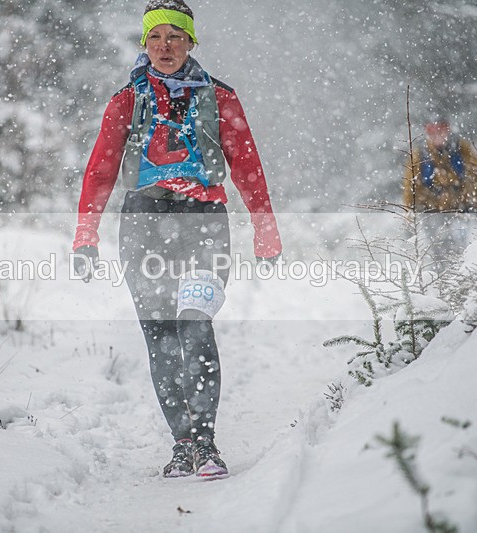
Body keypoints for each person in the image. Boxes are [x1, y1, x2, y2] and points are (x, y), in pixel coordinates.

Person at [72, 0, 282, 478]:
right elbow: (100, 170)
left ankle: (206, 442)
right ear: (144, 43)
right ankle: (182, 444)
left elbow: (248, 169)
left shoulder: (221, 98)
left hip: (204, 219)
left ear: (191, 41)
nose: (165, 47)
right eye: (155, 37)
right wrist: (85, 236)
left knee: (195, 323)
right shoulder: (127, 99)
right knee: (162, 336)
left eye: (175, 37)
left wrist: (265, 232)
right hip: (143, 223)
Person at [403, 117, 477, 265]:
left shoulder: (462, 149)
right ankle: (440, 278)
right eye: (432, 131)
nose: (437, 135)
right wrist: (409, 215)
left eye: (440, 130)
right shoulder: (419, 155)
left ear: (447, 131)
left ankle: (461, 275)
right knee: (437, 249)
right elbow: (409, 187)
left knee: (463, 248)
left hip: (461, 207)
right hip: (432, 209)